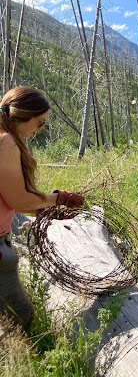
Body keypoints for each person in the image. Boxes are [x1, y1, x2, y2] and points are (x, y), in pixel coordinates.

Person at [0, 86, 84, 332]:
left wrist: (44, 207)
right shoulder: (6, 143)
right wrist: (58, 199)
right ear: (23, 115)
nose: (39, 129)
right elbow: (19, 202)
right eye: (40, 122)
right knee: (19, 317)